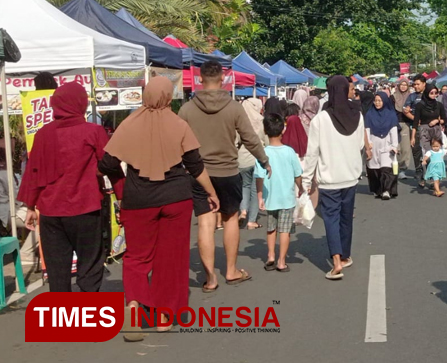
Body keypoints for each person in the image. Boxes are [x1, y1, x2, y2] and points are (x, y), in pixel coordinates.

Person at [99, 77, 219, 340]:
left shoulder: (128, 124)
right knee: (171, 258)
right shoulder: (179, 124)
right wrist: (211, 193)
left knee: (137, 257)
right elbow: (195, 165)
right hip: (176, 198)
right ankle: (164, 318)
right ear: (168, 96)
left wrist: (122, 189)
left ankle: (133, 307)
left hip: (138, 199)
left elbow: (106, 163)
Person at [179, 60, 270, 291]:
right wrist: (264, 159)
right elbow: (250, 138)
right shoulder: (233, 107)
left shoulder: (187, 109)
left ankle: (210, 278)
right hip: (229, 171)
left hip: (200, 174)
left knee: (206, 223)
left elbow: (176, 141)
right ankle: (231, 271)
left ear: (200, 80)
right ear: (222, 80)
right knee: (230, 219)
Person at [19, 83, 109, 293]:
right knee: (89, 266)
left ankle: (64, 321)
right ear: (81, 103)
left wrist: (30, 206)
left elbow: (34, 171)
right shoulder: (93, 131)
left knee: (57, 272)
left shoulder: (43, 134)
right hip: (85, 210)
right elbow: (109, 165)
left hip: (51, 212)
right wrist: (122, 196)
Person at [302, 75, 365, 280]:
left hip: (329, 178)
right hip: (351, 176)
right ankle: (345, 256)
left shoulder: (320, 119)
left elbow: (312, 153)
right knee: (346, 218)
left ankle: (336, 261)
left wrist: (306, 180)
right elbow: (360, 145)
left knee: (331, 218)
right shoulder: (357, 115)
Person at [255, 114, 303, 274]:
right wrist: (301, 188)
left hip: (270, 197)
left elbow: (259, 177)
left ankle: (270, 256)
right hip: (286, 198)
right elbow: (297, 174)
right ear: (283, 129)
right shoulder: (289, 152)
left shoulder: (263, 153)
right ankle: (282, 261)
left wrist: (260, 196)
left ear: (265, 131)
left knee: (271, 227)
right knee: (285, 230)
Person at [365, 91, 399, 200]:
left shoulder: (390, 114)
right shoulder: (370, 114)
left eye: (379, 101)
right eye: (375, 101)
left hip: (387, 143)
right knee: (374, 169)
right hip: (374, 144)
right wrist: (368, 143)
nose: (377, 103)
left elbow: (394, 130)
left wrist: (394, 145)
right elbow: (367, 129)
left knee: (387, 168)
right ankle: (377, 190)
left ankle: (387, 190)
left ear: (384, 101)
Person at [411, 84, 446, 188]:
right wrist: (413, 137)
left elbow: (444, 119)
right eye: (432, 93)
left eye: (436, 93)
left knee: (436, 154)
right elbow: (416, 121)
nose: (434, 95)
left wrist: (437, 120)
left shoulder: (439, 105)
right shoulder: (420, 105)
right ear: (427, 93)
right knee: (428, 154)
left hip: (436, 130)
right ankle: (428, 176)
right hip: (424, 130)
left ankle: (433, 178)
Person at [238, 98, 264, 230]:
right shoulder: (261, 121)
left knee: (244, 186)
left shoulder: (240, 120)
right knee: (256, 190)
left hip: (242, 159)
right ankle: (252, 221)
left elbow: (235, 140)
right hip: (257, 159)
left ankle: (243, 211)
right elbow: (266, 140)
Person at [403, 75, 427, 182]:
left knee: (429, 149)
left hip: (428, 126)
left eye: (418, 84)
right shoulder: (411, 96)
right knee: (416, 148)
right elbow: (405, 111)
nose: (416, 86)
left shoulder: (430, 94)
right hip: (415, 127)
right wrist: (415, 119)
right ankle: (418, 170)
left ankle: (431, 171)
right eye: (414, 84)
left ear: (424, 84)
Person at [390, 79, 412, 179]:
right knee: (395, 148)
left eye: (405, 85)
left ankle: (402, 170)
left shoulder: (411, 97)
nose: (403, 87)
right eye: (401, 85)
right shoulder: (393, 97)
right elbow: (390, 110)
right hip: (394, 124)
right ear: (398, 86)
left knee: (405, 148)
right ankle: (394, 167)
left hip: (406, 124)